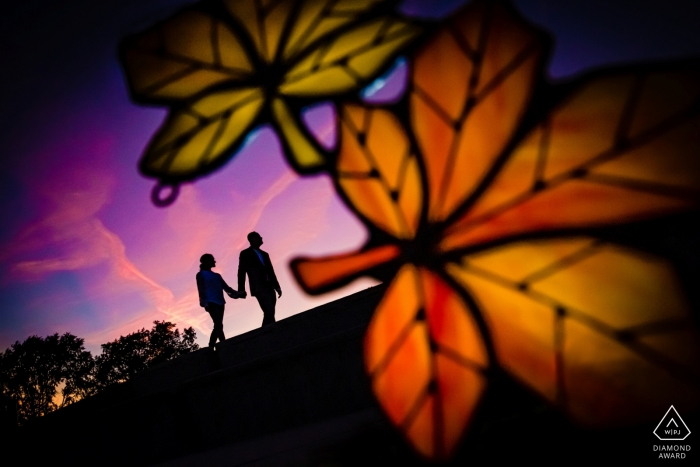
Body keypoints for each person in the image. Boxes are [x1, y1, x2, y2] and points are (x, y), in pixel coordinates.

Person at [237, 232, 282, 327]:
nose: (261, 238)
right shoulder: (245, 253)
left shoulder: (265, 254)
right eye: (258, 236)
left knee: (269, 312)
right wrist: (241, 289)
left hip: (269, 286)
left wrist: (277, 287)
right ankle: (272, 334)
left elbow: (271, 271)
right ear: (253, 239)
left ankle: (263, 335)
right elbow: (242, 271)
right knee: (269, 310)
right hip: (258, 286)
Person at [196, 253, 240, 348]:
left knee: (218, 325)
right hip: (211, 302)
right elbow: (201, 289)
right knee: (218, 324)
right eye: (212, 259)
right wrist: (205, 303)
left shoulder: (217, 276)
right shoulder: (201, 274)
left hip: (220, 302)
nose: (214, 261)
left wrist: (238, 293)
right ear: (206, 261)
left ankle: (211, 346)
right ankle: (224, 345)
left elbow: (226, 288)